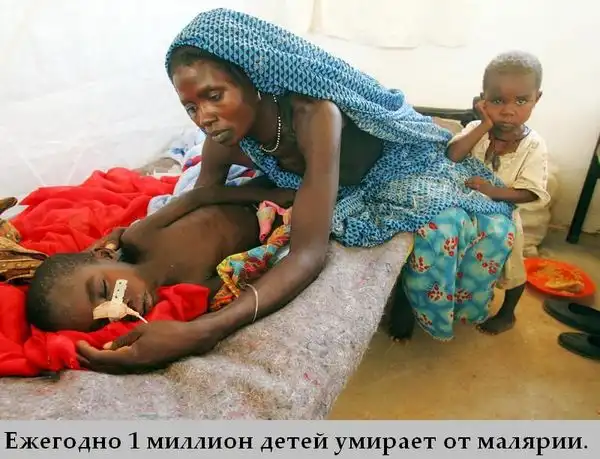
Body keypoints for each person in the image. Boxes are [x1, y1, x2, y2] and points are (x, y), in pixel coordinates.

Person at [76, 8, 516, 372]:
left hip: (390, 167)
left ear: (254, 79)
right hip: (313, 176)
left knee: (451, 206)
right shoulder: (223, 138)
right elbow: (198, 209)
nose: (203, 117)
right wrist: (126, 240)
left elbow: (308, 254)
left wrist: (203, 330)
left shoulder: (315, 116)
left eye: (214, 95)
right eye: (190, 106)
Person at [26, 176, 294, 332]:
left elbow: (198, 197)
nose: (118, 308)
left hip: (251, 191)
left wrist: (268, 193)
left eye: (104, 290)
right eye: (104, 319)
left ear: (105, 256)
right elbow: (249, 271)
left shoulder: (141, 237)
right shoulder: (190, 292)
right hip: (277, 223)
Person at [446, 50, 550, 334]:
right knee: (464, 262)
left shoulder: (533, 146)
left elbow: (531, 193)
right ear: (482, 100)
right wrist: (484, 125)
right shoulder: (475, 129)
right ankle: (459, 301)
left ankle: (507, 313)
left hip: (504, 219)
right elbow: (453, 156)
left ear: (536, 99)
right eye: (497, 101)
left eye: (521, 101)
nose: (508, 110)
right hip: (466, 211)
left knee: (513, 269)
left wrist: (493, 191)